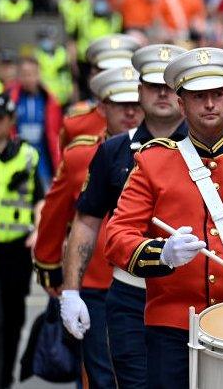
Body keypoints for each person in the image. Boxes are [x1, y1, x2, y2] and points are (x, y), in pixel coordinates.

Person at [104, 47, 223, 389]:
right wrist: (160, 253)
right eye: (199, 97)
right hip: (174, 326)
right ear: (182, 105)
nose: (209, 104)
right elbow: (117, 235)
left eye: (216, 95)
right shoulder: (154, 161)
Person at [70, 44, 187, 388]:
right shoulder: (113, 150)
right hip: (131, 292)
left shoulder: (206, 150)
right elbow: (86, 220)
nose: (163, 93)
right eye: (154, 86)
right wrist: (71, 291)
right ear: (140, 92)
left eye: (169, 85)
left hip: (188, 293)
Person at [32, 66, 142, 388]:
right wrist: (53, 269)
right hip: (96, 279)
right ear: (103, 108)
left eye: (135, 103)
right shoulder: (81, 154)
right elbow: (56, 213)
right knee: (102, 375)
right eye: (121, 105)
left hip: (146, 281)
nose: (131, 112)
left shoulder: (170, 152)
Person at [0, 94, 44, 389]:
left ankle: (4, 377)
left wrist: (37, 230)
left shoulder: (27, 155)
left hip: (17, 249)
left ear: (10, 121)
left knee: (12, 319)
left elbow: (39, 199)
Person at [59, 34, 141, 149]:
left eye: (122, 71)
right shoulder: (75, 124)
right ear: (92, 75)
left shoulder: (148, 121)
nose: (114, 78)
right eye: (106, 72)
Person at [9, 57, 62, 185]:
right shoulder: (12, 99)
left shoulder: (49, 101)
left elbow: (56, 135)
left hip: (43, 166)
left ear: (38, 74)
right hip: (18, 164)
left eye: (31, 74)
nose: (28, 79)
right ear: (19, 76)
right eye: (24, 75)